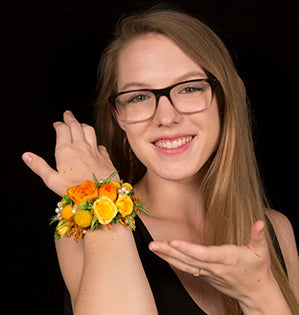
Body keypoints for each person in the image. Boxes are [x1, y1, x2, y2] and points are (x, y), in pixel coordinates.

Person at [22, 8, 299, 315]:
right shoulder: (84, 229)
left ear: (225, 100)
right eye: (139, 97)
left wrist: (261, 296)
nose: (166, 117)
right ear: (119, 117)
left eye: (190, 88)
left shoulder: (277, 230)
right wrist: (103, 197)